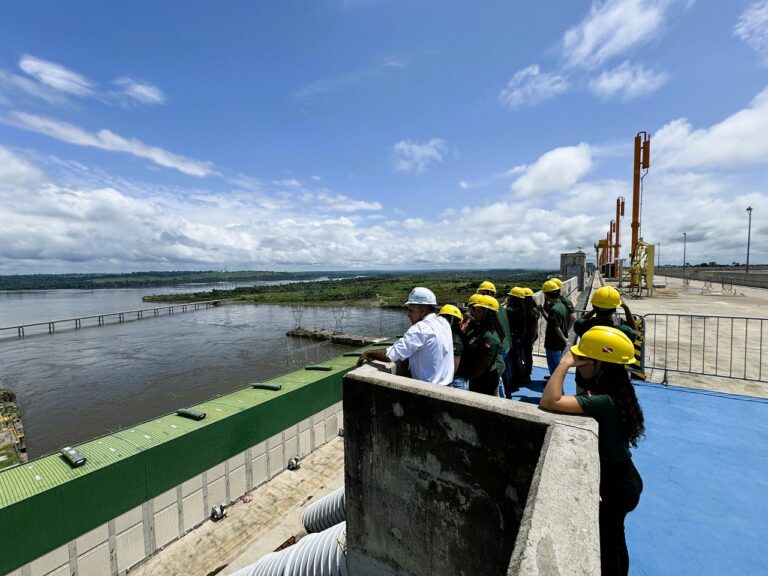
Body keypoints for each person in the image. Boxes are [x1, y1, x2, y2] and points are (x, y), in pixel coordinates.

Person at [539, 326, 644, 576]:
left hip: (618, 484)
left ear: (601, 365)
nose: (579, 364)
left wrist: (564, 364)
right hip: (624, 478)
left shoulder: (605, 401)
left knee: (608, 545)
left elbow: (550, 401)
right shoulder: (615, 392)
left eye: (583, 360)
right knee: (615, 538)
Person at [357, 287, 454, 385]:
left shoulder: (420, 328)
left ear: (423, 309)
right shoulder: (443, 322)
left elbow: (390, 355)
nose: (408, 315)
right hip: (448, 387)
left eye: (411, 311)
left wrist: (368, 353)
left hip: (430, 392)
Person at [457, 295, 505, 396]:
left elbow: (484, 365)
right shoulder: (479, 328)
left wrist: (470, 379)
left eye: (478, 311)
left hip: (483, 381)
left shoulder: (490, 337)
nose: (475, 313)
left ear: (487, 313)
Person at [539, 280, 569, 378]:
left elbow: (556, 328)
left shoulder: (554, 309)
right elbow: (553, 323)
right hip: (559, 344)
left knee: (555, 370)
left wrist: (564, 340)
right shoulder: (562, 306)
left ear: (547, 295)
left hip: (553, 344)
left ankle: (556, 391)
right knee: (558, 369)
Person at [503, 287, 527, 396]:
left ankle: (514, 384)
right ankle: (517, 382)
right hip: (519, 337)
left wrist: (506, 305)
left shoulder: (512, 311)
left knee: (512, 362)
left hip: (513, 338)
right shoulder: (523, 308)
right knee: (517, 361)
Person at [439, 304, 468, 390]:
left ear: (451, 320)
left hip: (457, 380)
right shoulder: (452, 334)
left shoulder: (455, 339)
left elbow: (454, 367)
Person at [521, 287, 539, 384]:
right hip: (531, 335)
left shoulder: (529, 311)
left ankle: (527, 374)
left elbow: (533, 327)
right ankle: (528, 370)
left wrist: (530, 341)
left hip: (529, 336)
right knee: (527, 355)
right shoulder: (533, 309)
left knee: (527, 355)